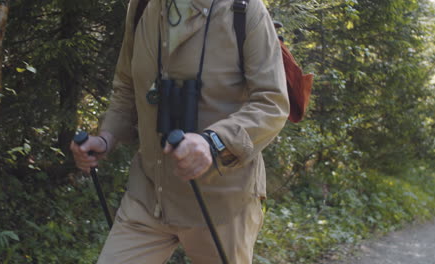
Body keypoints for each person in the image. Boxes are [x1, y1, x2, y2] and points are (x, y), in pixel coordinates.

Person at [70, 0, 289, 262]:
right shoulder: (141, 7)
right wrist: (106, 138)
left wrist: (214, 142)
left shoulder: (244, 10)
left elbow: (272, 103)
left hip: (220, 203)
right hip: (150, 196)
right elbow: (127, 86)